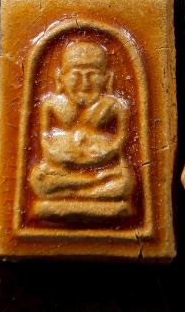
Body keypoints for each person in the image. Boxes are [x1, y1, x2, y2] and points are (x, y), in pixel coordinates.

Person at [29, 41, 134, 208]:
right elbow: (44, 139)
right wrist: (61, 155)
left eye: (92, 75)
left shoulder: (114, 106)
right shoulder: (52, 104)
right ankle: (89, 186)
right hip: (61, 170)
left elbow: (121, 140)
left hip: (105, 169)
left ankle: (74, 193)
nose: (85, 83)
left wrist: (106, 153)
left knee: (125, 182)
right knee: (39, 179)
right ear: (60, 78)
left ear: (107, 78)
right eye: (76, 75)